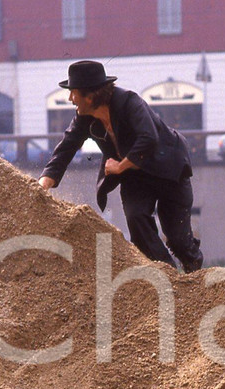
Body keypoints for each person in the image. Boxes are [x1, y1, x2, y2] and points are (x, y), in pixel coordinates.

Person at [38, 60, 203, 272]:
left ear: (90, 95)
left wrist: (119, 166)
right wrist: (42, 185)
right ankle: (167, 275)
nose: (70, 99)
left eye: (73, 92)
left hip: (168, 168)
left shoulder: (129, 102)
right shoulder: (83, 117)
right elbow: (65, 148)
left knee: (178, 239)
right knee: (136, 219)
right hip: (134, 175)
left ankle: (195, 274)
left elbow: (149, 138)